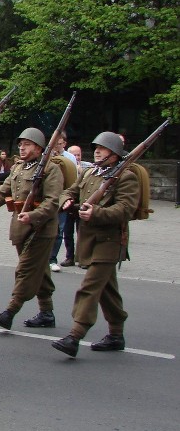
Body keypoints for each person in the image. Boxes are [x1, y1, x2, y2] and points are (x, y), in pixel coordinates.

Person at [51, 132, 139, 358]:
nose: (97, 150)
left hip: (109, 241)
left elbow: (125, 209)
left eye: (103, 148)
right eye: (96, 147)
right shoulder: (90, 172)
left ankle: (75, 335)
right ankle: (116, 334)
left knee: (89, 287)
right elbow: (69, 191)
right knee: (107, 290)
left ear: (115, 153)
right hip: (89, 239)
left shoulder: (125, 177)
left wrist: (96, 212)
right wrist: (67, 201)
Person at [0, 128, 63, 331]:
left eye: (26, 144)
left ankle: (10, 311)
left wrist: (34, 216)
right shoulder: (18, 167)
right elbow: (3, 191)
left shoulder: (50, 169)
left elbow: (53, 201)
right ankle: (47, 312)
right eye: (20, 144)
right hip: (21, 228)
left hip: (42, 229)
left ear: (38, 148)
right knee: (40, 271)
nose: (21, 148)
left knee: (26, 270)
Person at [49, 131, 76, 271]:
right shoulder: (46, 156)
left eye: (58, 144)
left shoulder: (70, 158)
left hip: (63, 197)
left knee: (59, 230)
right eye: (54, 144)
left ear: (64, 144)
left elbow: (73, 180)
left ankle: (53, 259)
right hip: (48, 198)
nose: (56, 146)